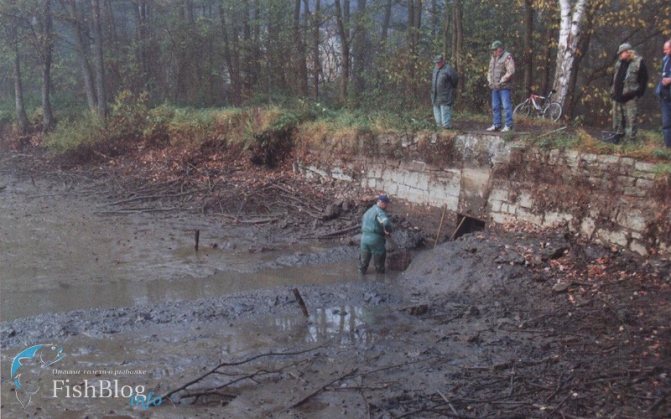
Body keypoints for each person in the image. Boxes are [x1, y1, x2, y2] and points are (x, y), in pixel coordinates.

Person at [611, 42, 649, 142]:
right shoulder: (619, 63)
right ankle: (618, 137)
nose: (620, 55)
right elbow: (614, 77)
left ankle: (632, 140)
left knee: (631, 120)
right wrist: (613, 91)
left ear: (628, 52)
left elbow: (644, 80)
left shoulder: (638, 62)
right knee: (617, 119)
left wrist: (637, 94)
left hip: (630, 97)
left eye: (621, 53)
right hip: (617, 96)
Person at [359, 194, 393, 274]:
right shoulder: (379, 212)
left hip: (364, 239)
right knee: (379, 264)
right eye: (386, 204)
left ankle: (361, 276)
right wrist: (388, 230)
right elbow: (386, 222)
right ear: (382, 203)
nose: (387, 206)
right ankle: (380, 279)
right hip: (375, 240)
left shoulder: (368, 211)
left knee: (363, 264)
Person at [486, 40, 515, 132]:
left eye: (495, 49)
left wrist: (502, 80)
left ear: (500, 49)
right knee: (495, 106)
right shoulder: (493, 57)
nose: (494, 51)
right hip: (494, 87)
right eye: (493, 50)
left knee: (506, 106)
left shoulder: (507, 57)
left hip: (504, 87)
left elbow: (511, 71)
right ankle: (496, 124)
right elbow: (490, 71)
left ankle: (508, 125)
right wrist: (489, 80)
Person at [431, 54, 459, 129]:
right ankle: (440, 134)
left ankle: (447, 133)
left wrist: (450, 89)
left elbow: (455, 79)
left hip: (445, 97)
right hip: (435, 97)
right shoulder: (435, 69)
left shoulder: (448, 69)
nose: (437, 64)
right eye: (436, 63)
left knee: (445, 123)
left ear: (443, 61)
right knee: (438, 123)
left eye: (439, 62)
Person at [655, 39, 671, 148]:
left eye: (666, 49)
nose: (664, 51)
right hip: (665, 96)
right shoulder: (665, 59)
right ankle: (667, 146)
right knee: (666, 123)